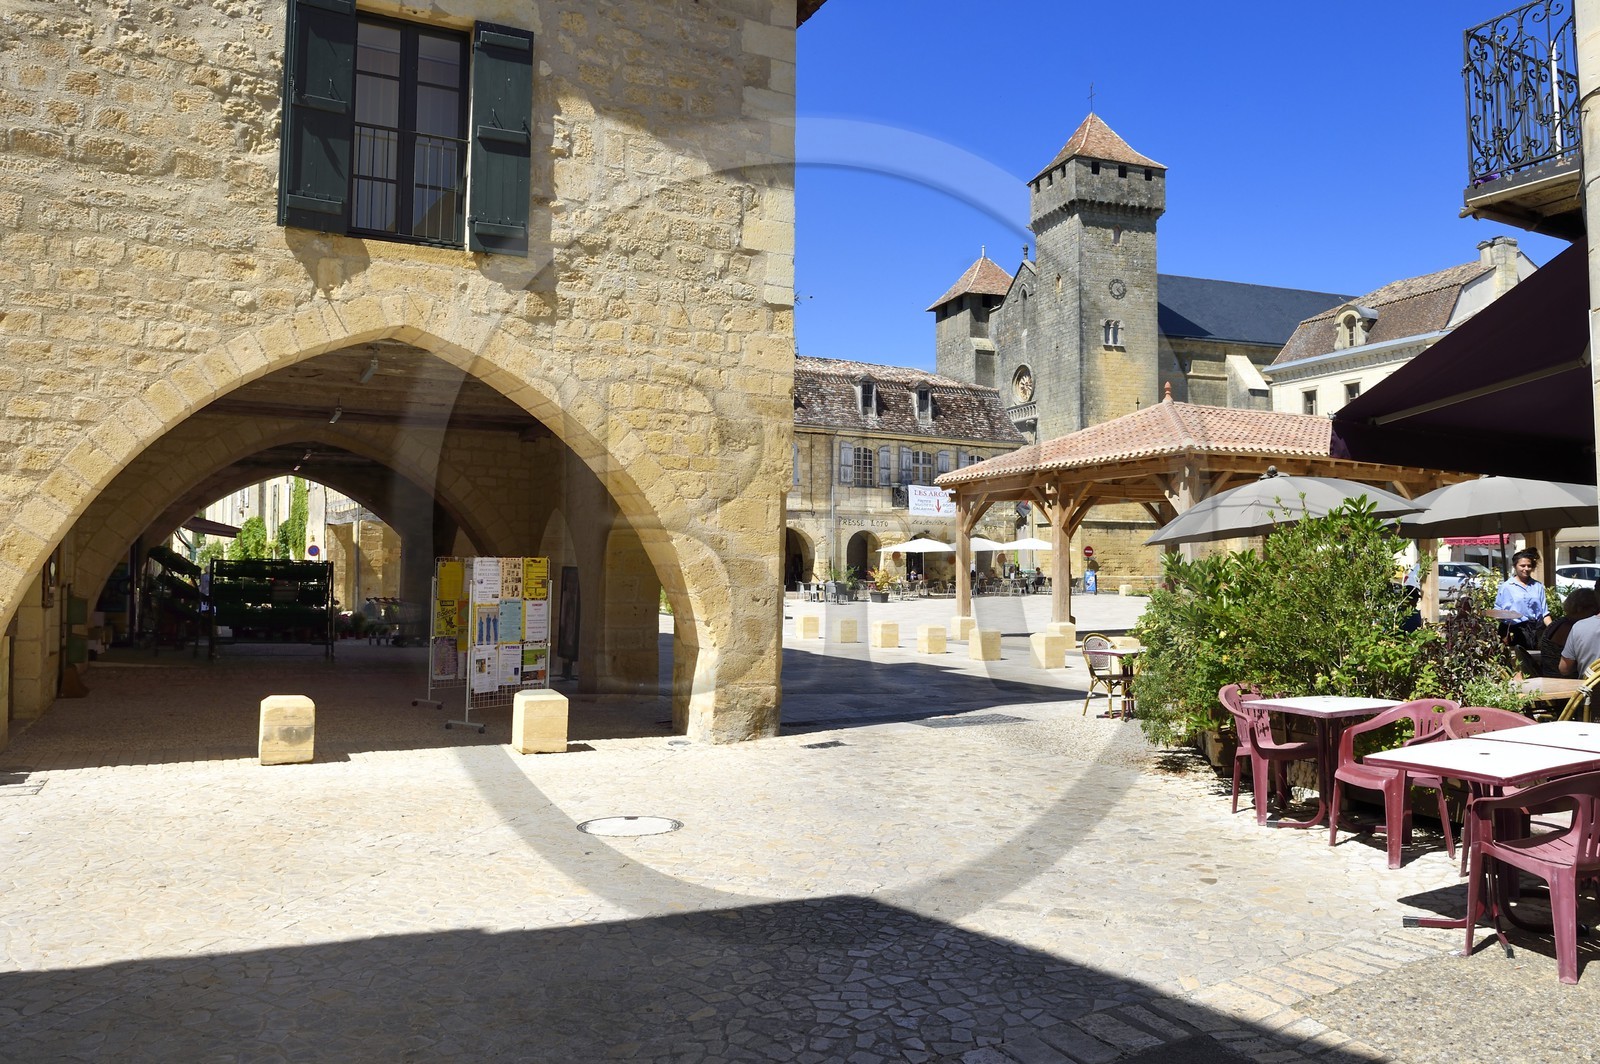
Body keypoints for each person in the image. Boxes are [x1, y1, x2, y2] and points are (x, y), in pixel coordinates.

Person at [1495, 549, 1550, 650]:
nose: (1526, 568)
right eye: (1522, 566)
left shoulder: (1537, 586)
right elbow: (1497, 612)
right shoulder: (1506, 586)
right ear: (1515, 566)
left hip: (1533, 631)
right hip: (1513, 632)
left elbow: (1544, 613)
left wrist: (1553, 629)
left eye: (1529, 566)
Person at [1544, 588, 1599, 677]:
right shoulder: (1569, 627)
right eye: (1594, 609)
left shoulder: (1559, 623)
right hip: (1559, 678)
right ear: (1582, 608)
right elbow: (1564, 669)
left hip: (1548, 673)